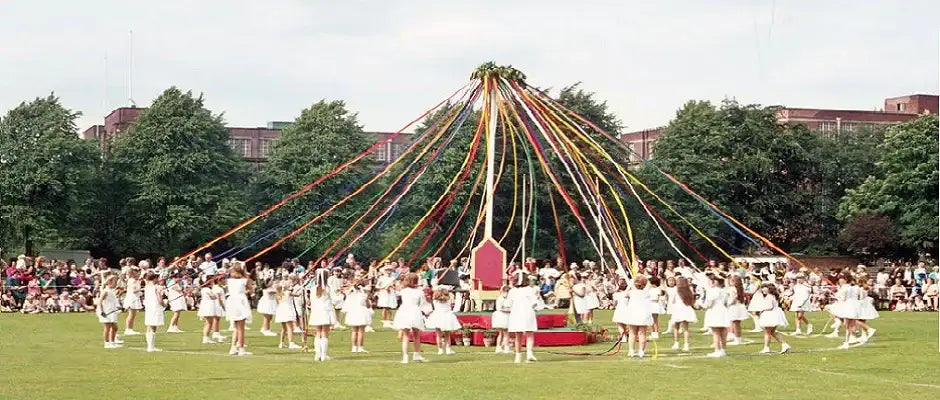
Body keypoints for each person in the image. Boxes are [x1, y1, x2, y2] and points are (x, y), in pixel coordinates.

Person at [393, 273, 429, 364]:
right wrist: (427, 312)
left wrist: (399, 281)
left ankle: (406, 357)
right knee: (416, 335)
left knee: (406, 335)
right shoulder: (420, 292)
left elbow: (397, 289)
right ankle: (416, 354)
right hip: (415, 311)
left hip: (405, 311)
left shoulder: (404, 291)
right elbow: (422, 304)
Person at [507, 270, 540, 363]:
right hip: (528, 313)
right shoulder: (529, 289)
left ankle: (518, 356)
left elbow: (508, 304)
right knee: (529, 334)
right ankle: (529, 354)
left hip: (516, 314)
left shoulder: (512, 291)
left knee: (518, 336)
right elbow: (535, 303)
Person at [618, 275, 653, 358]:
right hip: (643, 315)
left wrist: (630, 285)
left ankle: (631, 350)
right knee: (642, 333)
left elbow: (625, 295)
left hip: (633, 314)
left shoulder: (631, 292)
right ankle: (641, 351)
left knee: (632, 333)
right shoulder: (647, 292)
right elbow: (648, 286)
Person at [225, 262, 254, 356]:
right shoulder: (244, 280)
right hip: (240, 303)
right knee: (241, 328)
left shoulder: (229, 281)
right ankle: (241, 349)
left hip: (232, 302)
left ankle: (233, 348)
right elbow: (251, 289)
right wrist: (244, 271)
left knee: (236, 327)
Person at [308, 268, 335, 361]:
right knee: (324, 333)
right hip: (326, 311)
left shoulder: (312, 288)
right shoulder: (328, 288)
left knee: (318, 333)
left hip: (316, 312)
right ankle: (323, 355)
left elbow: (311, 301)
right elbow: (335, 299)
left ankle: (317, 354)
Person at [756, 283, 791, 354]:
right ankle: (784, 345)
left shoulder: (769, 296)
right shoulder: (773, 296)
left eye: (764, 288)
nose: (762, 289)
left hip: (770, 314)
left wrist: (760, 309)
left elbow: (770, 306)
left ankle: (766, 348)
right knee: (772, 332)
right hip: (774, 314)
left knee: (767, 332)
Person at [702, 274, 731, 358]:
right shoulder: (724, 290)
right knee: (723, 331)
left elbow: (709, 304)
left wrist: (702, 306)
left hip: (715, 311)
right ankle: (723, 350)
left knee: (716, 332)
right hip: (723, 310)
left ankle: (717, 350)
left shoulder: (712, 290)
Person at [426, 287, 461, 356]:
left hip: (437, 317)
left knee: (438, 335)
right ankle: (448, 349)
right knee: (447, 335)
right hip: (447, 317)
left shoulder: (435, 301)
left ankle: (440, 350)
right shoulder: (448, 300)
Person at [831, 274, 860, 350]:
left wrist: (836, 295)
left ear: (846, 280)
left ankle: (847, 342)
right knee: (851, 324)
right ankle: (852, 338)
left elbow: (843, 299)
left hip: (848, 306)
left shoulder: (845, 288)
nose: (840, 280)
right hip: (854, 306)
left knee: (847, 324)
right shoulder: (852, 287)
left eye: (842, 279)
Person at [342, 282, 372, 353]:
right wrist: (367, 296)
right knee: (361, 331)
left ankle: (354, 347)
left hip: (352, 313)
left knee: (354, 331)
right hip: (361, 313)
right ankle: (360, 347)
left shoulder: (350, 294)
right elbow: (368, 306)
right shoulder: (363, 294)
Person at [669, 277, 697, 352]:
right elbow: (692, 300)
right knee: (686, 328)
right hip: (686, 309)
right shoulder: (689, 290)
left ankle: (676, 343)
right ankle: (686, 344)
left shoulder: (676, 290)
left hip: (678, 309)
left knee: (676, 327)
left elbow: (673, 300)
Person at [96, 275, 122, 349]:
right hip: (107, 312)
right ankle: (107, 343)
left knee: (115, 327)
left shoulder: (112, 291)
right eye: (114, 282)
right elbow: (99, 301)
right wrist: (102, 311)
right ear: (110, 282)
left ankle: (112, 342)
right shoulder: (106, 291)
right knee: (107, 328)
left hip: (112, 311)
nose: (116, 283)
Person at [142, 271, 165, 353]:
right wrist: (164, 304)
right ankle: (151, 347)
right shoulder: (156, 287)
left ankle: (151, 346)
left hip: (148, 307)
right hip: (155, 307)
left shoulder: (147, 286)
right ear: (154, 278)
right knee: (153, 327)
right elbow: (159, 299)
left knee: (149, 326)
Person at [274, 280, 301, 350]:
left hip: (281, 311)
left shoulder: (279, 294)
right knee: (290, 327)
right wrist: (301, 288)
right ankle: (291, 343)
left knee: (283, 328)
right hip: (287, 310)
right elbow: (297, 295)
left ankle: (281, 343)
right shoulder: (288, 293)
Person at [197, 278, 224, 344]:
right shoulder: (207, 289)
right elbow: (213, 297)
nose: (212, 283)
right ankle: (206, 338)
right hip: (208, 305)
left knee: (208, 322)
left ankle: (206, 337)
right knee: (209, 322)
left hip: (206, 304)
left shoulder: (204, 289)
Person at [726, 276, 749, 346]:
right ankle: (738, 338)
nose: (729, 281)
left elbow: (733, 298)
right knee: (737, 324)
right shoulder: (739, 288)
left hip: (734, 307)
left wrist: (727, 304)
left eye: (731, 280)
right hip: (739, 306)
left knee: (735, 324)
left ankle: (737, 339)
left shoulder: (732, 288)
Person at [123, 267, 143, 336]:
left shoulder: (136, 280)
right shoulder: (132, 280)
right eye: (137, 272)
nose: (139, 273)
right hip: (132, 297)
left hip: (134, 297)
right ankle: (128, 329)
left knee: (133, 314)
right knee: (131, 314)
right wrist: (141, 289)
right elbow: (134, 290)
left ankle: (130, 328)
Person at [491, 285, 511, 354]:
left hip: (502, 317)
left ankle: (499, 348)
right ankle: (506, 348)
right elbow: (500, 308)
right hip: (502, 317)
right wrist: (510, 310)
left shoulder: (505, 298)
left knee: (502, 333)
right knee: (505, 334)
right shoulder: (501, 298)